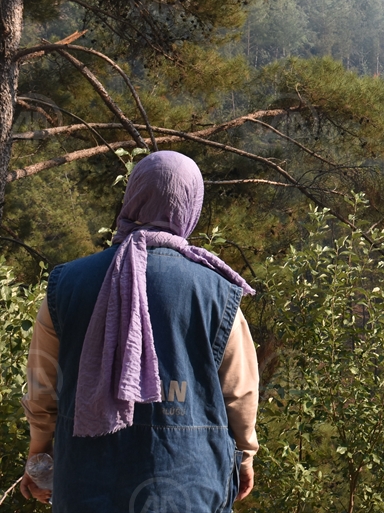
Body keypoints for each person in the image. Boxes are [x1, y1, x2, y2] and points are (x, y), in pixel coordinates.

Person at [19, 150, 260, 512]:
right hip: (188, 486)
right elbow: (239, 393)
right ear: (190, 206)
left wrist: (40, 455)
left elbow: (42, 386)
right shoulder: (216, 290)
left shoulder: (66, 285)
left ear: (133, 196)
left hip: (84, 484)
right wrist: (244, 457)